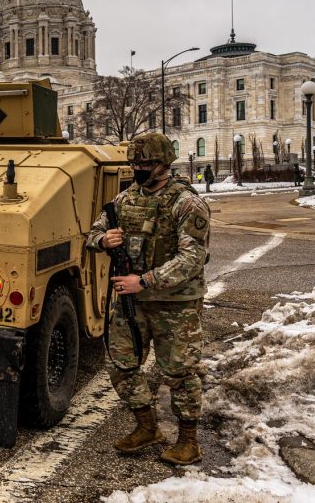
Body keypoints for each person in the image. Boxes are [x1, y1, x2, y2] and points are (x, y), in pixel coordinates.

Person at [86, 132, 211, 465]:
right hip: (132, 302)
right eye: (135, 163)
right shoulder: (126, 200)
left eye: (145, 164)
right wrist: (104, 240)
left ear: (163, 164)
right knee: (120, 364)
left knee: (180, 373)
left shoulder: (186, 202)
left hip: (175, 303)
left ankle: (188, 441)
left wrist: (144, 281)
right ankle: (147, 427)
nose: (138, 169)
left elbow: (193, 258)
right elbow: (93, 233)